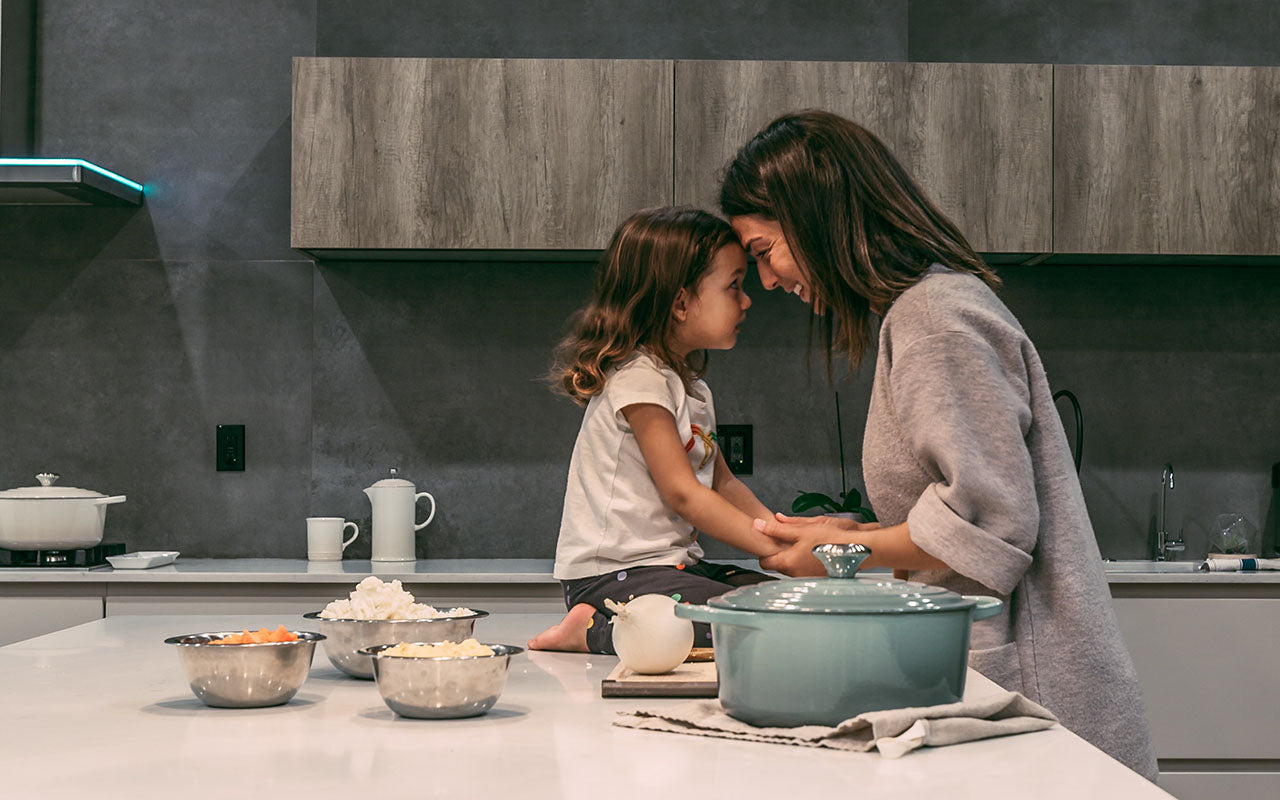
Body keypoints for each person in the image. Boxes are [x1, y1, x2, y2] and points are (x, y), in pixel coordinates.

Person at [718, 110, 1158, 780]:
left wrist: (846, 552)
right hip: (985, 678)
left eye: (762, 252)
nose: (768, 281)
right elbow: (962, 507)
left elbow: (991, 522)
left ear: (815, 216)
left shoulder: (934, 318)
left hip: (1025, 691)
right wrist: (859, 532)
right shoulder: (926, 311)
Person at [528, 206, 780, 655]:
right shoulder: (640, 379)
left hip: (669, 570)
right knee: (754, 622)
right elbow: (683, 493)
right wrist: (769, 548)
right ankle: (591, 628)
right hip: (611, 579)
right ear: (681, 302)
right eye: (733, 285)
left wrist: (779, 538)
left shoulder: (690, 387)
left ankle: (624, 624)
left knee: (783, 605)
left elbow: (722, 482)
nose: (746, 300)